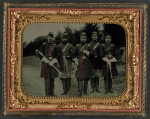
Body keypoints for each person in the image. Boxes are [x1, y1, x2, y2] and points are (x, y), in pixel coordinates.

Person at [37, 32, 58, 96]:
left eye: (51, 37)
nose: (50, 38)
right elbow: (39, 53)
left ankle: (52, 93)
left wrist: (54, 60)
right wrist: (44, 59)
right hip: (46, 64)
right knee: (47, 80)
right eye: (49, 37)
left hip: (53, 64)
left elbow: (58, 55)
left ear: (53, 38)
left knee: (52, 79)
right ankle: (47, 94)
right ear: (47, 37)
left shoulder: (55, 45)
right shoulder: (44, 45)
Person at [73, 32, 92, 97]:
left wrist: (87, 52)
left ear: (86, 39)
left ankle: (85, 91)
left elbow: (92, 55)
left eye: (84, 38)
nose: (83, 39)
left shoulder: (88, 46)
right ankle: (79, 91)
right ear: (80, 39)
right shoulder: (77, 46)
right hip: (79, 63)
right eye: (82, 38)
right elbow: (73, 54)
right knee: (79, 78)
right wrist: (76, 61)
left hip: (87, 64)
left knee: (86, 78)